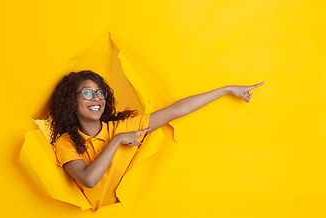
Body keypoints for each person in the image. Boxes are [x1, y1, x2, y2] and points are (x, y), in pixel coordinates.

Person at [48, 70, 263, 210]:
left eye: (100, 93)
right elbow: (89, 179)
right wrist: (117, 140)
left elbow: (177, 109)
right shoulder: (66, 143)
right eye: (87, 93)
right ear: (71, 100)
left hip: (131, 217)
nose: (96, 99)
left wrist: (226, 90)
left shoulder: (122, 126)